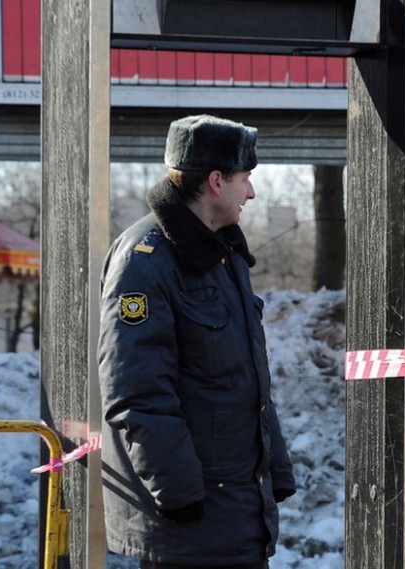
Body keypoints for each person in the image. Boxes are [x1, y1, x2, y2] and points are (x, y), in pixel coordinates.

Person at [97, 115, 296, 569]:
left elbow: (243, 377)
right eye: (245, 179)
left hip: (233, 513)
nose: (251, 193)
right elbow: (137, 392)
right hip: (191, 526)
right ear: (214, 181)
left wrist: (276, 470)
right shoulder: (144, 260)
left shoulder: (221, 252)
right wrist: (181, 496)